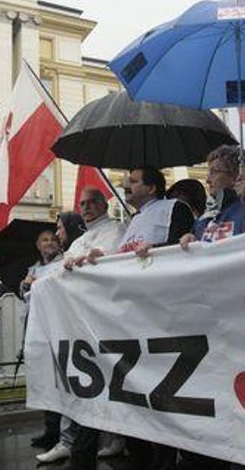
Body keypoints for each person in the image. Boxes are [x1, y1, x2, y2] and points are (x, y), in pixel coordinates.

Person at [73, 167, 194, 470]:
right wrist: (99, 259)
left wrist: (157, 250)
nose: (126, 185)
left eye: (134, 181)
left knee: (167, 397)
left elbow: (184, 251)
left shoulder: (173, 208)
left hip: (164, 314)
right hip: (133, 318)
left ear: (152, 187)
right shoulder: (133, 221)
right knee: (137, 399)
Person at [35, 190, 128, 467]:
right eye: (82, 204)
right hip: (78, 325)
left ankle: (98, 448)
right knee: (85, 392)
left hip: (105, 324)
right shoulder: (79, 241)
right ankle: (82, 449)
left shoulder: (116, 229)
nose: (86, 208)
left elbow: (109, 266)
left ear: (104, 205)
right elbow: (58, 272)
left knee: (103, 391)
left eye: (91, 203)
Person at [180, 146, 245, 249]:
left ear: (237, 175)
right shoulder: (205, 217)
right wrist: (191, 239)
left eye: (214, 172)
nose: (208, 179)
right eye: (208, 172)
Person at [23, 227, 65, 452]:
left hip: (54, 327)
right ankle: (50, 429)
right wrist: (26, 284)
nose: (49, 243)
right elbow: (26, 297)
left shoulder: (62, 264)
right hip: (35, 326)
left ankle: (60, 431)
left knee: (57, 379)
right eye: (44, 240)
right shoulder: (34, 268)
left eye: (53, 239)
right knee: (43, 377)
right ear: (38, 245)